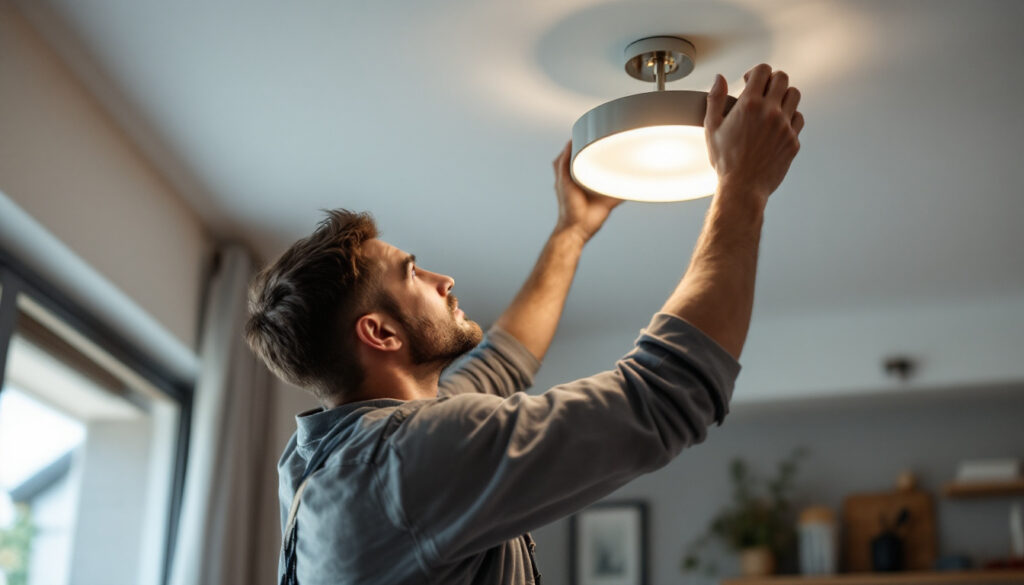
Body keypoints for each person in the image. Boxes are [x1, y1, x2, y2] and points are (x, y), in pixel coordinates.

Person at [245, 63, 804, 585]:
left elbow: (502, 361)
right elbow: (666, 396)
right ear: (381, 334)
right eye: (412, 274)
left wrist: (572, 231)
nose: (445, 280)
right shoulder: (405, 465)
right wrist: (743, 187)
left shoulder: (320, 461)